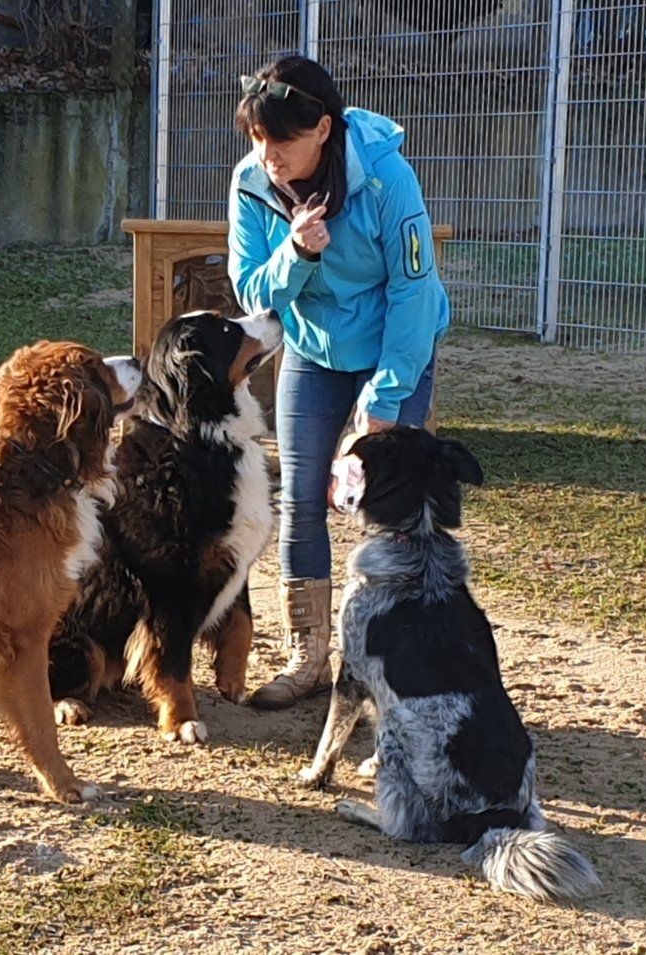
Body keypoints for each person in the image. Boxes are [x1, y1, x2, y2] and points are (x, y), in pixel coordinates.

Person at [228, 56, 449, 709]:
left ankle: (407, 654)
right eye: (256, 139)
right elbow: (248, 289)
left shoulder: (385, 177)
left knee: (392, 503)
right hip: (314, 348)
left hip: (393, 345)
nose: (268, 155)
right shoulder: (251, 184)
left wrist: (385, 400)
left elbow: (413, 291)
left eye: (282, 140)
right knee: (299, 497)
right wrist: (297, 253)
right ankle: (309, 658)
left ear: (323, 128)